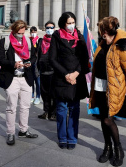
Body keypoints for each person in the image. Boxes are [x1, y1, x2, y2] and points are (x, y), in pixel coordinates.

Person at [89, 16, 126, 167]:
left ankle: (118, 149)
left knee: (108, 119)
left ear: (109, 32)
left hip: (114, 88)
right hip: (100, 86)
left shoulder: (121, 47)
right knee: (103, 119)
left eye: (104, 34)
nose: (103, 37)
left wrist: (123, 84)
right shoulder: (102, 45)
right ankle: (107, 147)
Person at [49, 12, 90, 150]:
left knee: (74, 109)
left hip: (77, 79)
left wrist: (76, 73)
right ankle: (62, 137)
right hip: (62, 78)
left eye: (73, 22)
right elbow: (52, 59)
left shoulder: (80, 36)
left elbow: (85, 58)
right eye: (68, 23)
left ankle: (72, 137)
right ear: (63, 24)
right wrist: (66, 74)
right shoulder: (56, 36)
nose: (71, 25)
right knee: (61, 109)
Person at [0, 20, 38, 145]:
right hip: (12, 78)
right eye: (19, 32)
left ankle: (23, 130)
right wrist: (13, 64)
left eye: (23, 31)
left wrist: (30, 61)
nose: (21, 34)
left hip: (26, 77)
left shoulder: (28, 42)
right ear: (13, 31)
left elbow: (35, 56)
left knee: (25, 107)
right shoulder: (5, 42)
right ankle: (10, 133)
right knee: (11, 108)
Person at [37, 21, 56, 121]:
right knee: (44, 93)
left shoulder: (56, 40)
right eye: (48, 27)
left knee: (53, 94)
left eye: (51, 27)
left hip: (53, 71)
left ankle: (53, 113)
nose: (49, 29)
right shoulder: (41, 41)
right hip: (43, 71)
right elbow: (38, 55)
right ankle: (46, 111)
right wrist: (37, 69)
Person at [29, 26, 41, 105]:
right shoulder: (28, 40)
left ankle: (38, 97)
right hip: (30, 62)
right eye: (32, 32)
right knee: (31, 80)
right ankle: (32, 95)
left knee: (38, 81)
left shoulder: (39, 40)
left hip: (37, 63)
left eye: (35, 31)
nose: (33, 33)